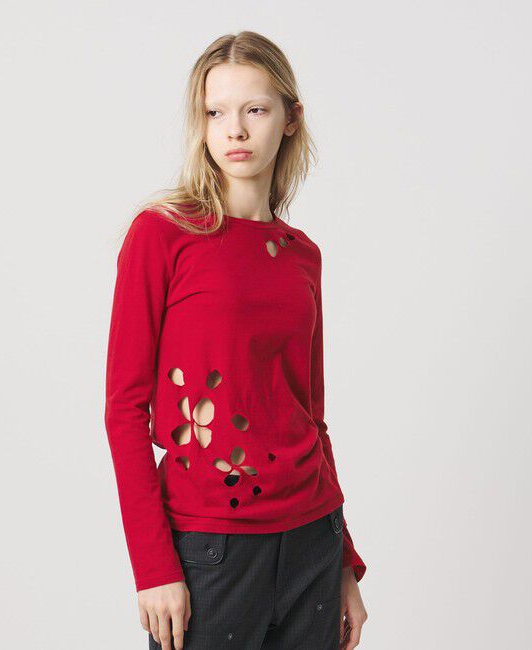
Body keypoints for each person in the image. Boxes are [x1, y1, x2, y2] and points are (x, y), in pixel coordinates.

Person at [104, 30, 368, 650]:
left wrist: (345, 563)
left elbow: (310, 416)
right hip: (210, 547)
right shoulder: (162, 236)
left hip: (313, 542)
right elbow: (124, 410)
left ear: (290, 119)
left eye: (255, 109)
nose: (235, 131)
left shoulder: (302, 256)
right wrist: (154, 567)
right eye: (216, 112)